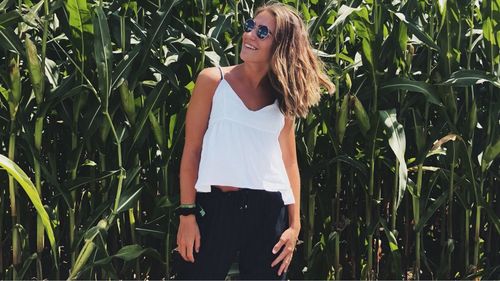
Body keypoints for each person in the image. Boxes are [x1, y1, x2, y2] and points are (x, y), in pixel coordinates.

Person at [173, 1, 335, 279]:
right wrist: (187, 215)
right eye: (250, 26)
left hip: (268, 211)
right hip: (215, 208)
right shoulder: (213, 81)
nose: (249, 35)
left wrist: (294, 226)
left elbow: (289, 163)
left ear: (281, 45)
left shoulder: (284, 99)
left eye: (263, 32)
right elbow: (192, 151)